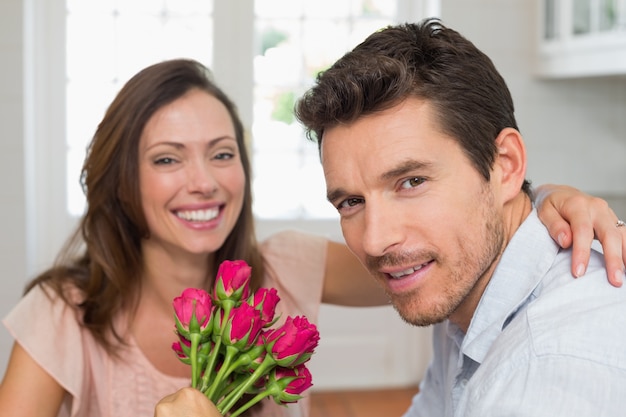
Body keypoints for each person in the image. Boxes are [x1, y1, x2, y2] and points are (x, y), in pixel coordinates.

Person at [0, 58, 622, 417]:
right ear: (120, 182)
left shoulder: (285, 268)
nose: (203, 183)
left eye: (221, 154)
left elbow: (452, 258)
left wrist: (543, 201)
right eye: (166, 159)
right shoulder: (63, 314)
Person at [293, 18, 626, 416]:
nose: (375, 240)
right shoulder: (471, 291)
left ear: (506, 165)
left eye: (411, 181)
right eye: (350, 202)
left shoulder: (544, 368)